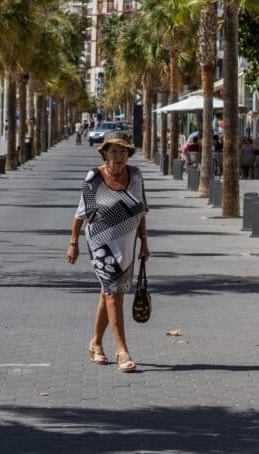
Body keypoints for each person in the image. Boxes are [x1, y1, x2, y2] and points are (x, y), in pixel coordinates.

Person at [66, 130, 150, 373]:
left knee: (109, 292)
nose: (118, 155)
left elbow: (141, 209)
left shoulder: (136, 175)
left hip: (127, 243)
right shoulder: (94, 177)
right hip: (100, 242)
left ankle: (95, 344)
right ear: (104, 153)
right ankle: (122, 350)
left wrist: (144, 241)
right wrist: (74, 242)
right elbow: (81, 212)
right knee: (114, 293)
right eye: (113, 151)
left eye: (123, 151)